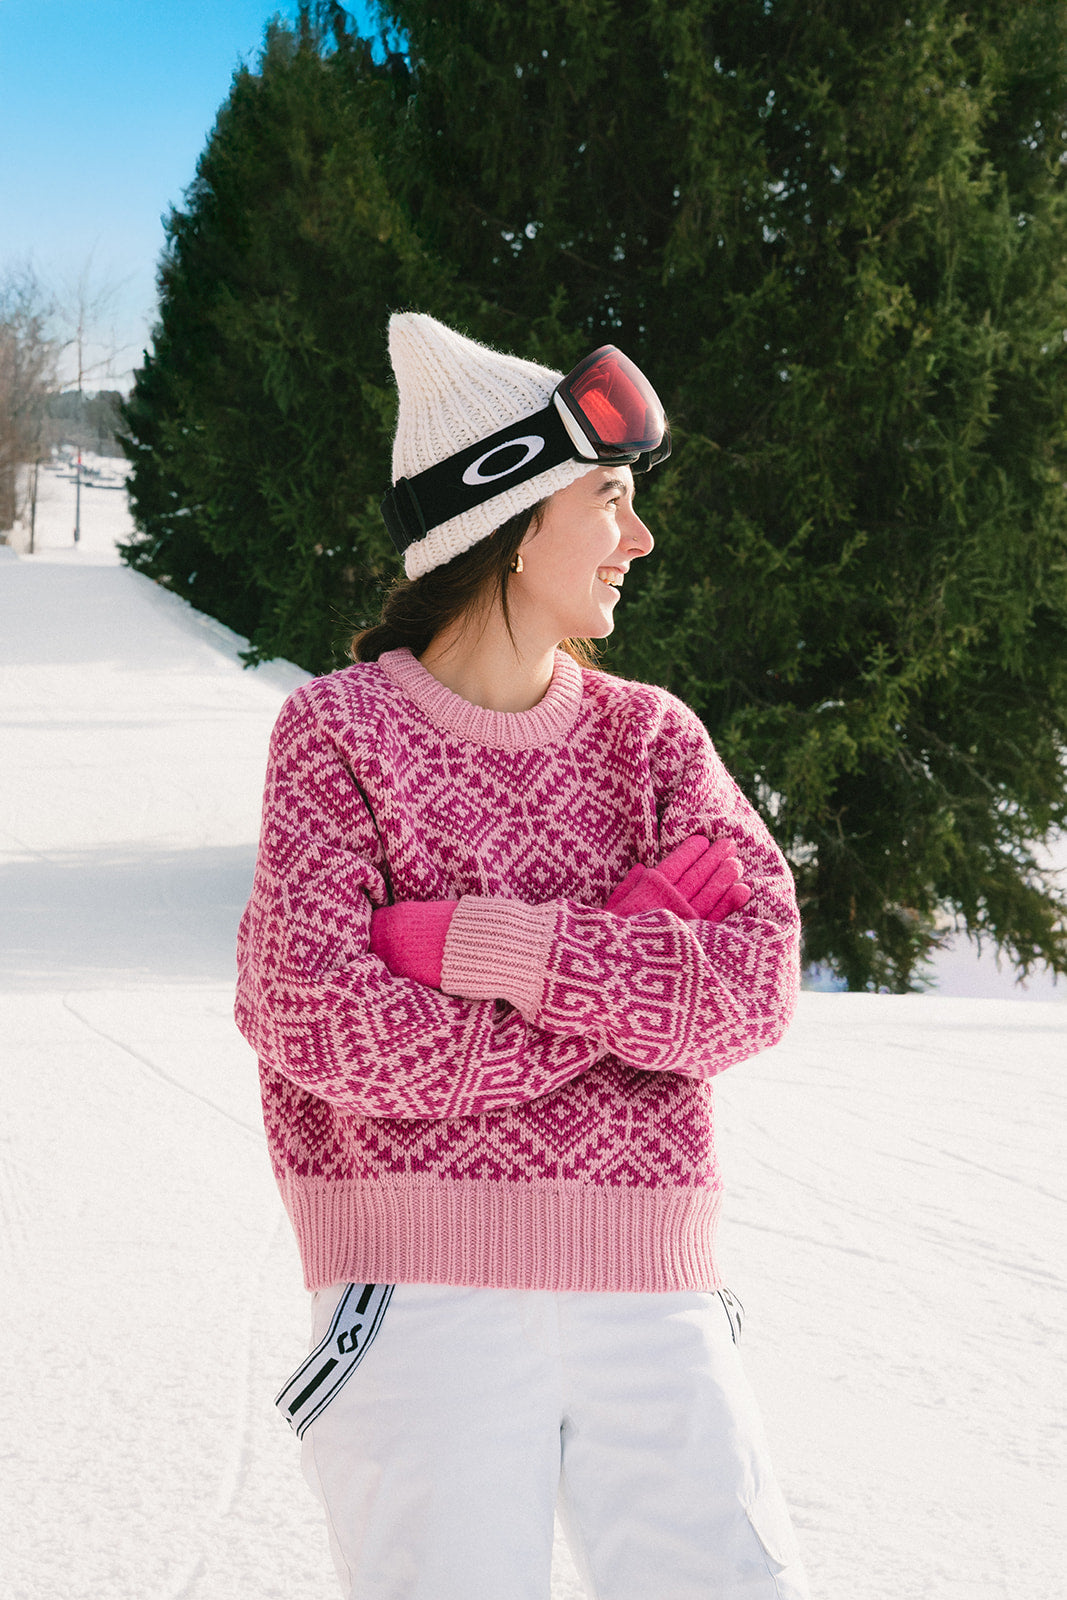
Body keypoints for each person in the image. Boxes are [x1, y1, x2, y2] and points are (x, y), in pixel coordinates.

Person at [236, 313, 810, 1600]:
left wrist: (481, 946)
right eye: (607, 498)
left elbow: (754, 980)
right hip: (418, 1297)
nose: (638, 535)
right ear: (511, 508)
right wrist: (625, 964)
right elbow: (319, 1021)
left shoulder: (654, 741)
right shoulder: (337, 737)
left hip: (651, 1294)